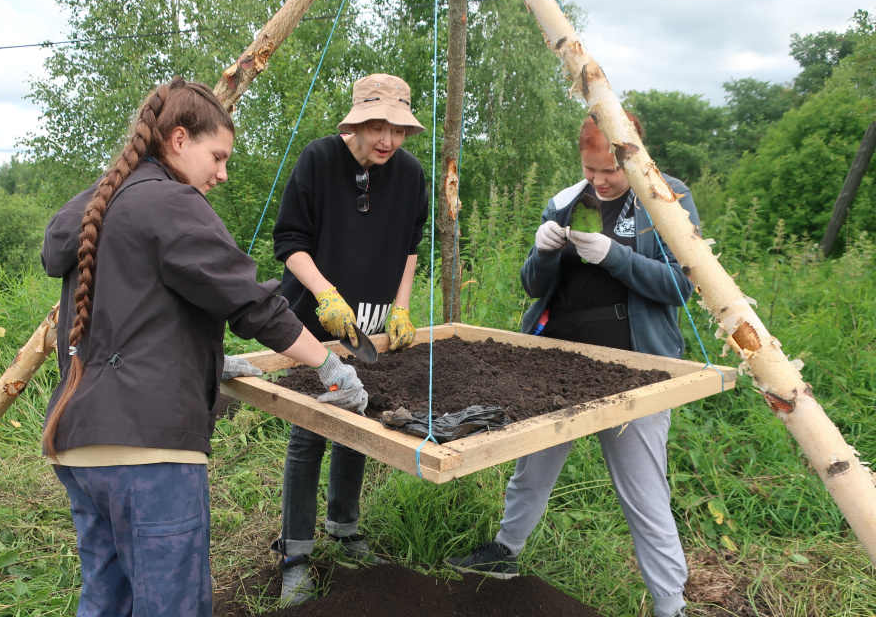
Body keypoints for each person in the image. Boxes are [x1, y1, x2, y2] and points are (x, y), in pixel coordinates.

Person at [40, 77, 367, 617]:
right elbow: (253, 304)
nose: (222, 172)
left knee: (108, 598)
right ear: (178, 140)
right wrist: (330, 364)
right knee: (174, 605)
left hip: (79, 443)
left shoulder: (103, 205)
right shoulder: (170, 203)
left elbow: (135, 318)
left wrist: (209, 364)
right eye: (216, 156)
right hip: (148, 451)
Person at [445, 112, 699, 617]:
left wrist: (615, 256)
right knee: (531, 467)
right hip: (555, 357)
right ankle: (504, 554)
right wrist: (541, 253)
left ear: (634, 156)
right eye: (591, 171)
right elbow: (535, 286)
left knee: (644, 491)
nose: (600, 182)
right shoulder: (565, 200)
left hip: (635, 367)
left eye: (610, 172)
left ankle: (671, 606)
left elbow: (683, 285)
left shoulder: (665, 198)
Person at [269, 73, 428, 605]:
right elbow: (289, 241)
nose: (388, 140)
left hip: (372, 320)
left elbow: (409, 248)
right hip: (317, 316)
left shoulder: (409, 174)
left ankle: (344, 526)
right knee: (312, 429)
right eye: (377, 127)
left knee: (357, 417)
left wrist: (401, 308)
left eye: (398, 130)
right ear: (356, 122)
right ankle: (295, 554)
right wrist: (324, 294)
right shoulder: (318, 160)